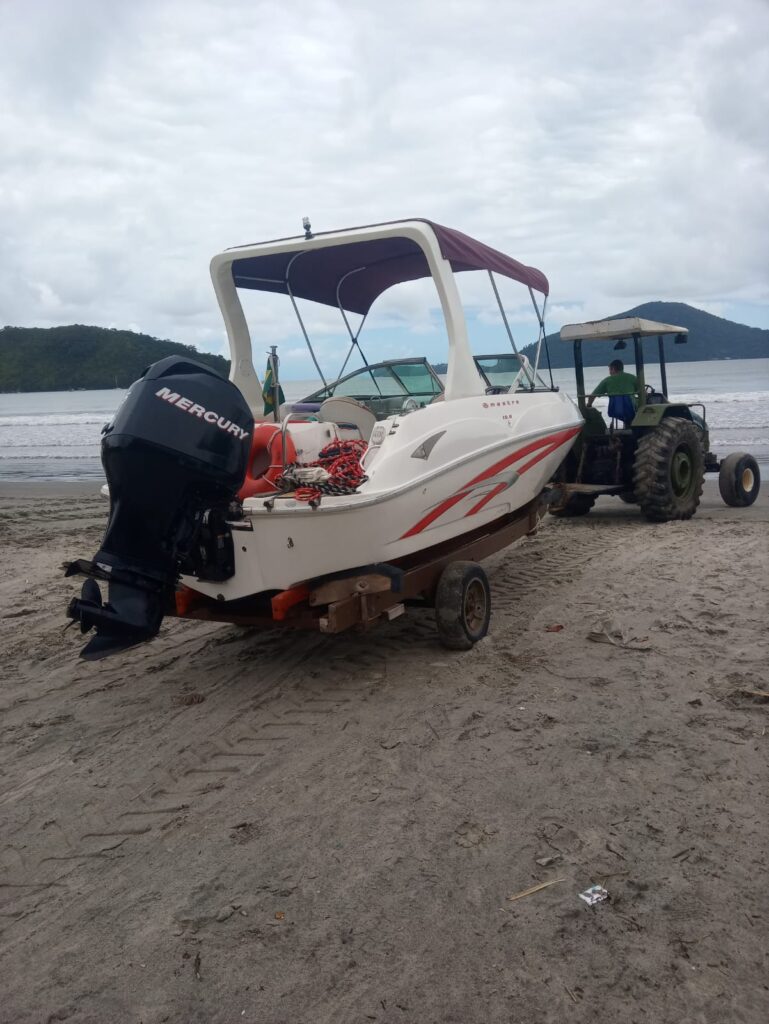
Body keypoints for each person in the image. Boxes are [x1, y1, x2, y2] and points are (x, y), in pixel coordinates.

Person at [587, 359, 638, 426]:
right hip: (631, 408)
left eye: (610, 370)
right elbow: (644, 393)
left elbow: (592, 396)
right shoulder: (632, 378)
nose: (609, 372)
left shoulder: (607, 381)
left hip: (614, 410)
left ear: (613, 369)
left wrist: (589, 406)